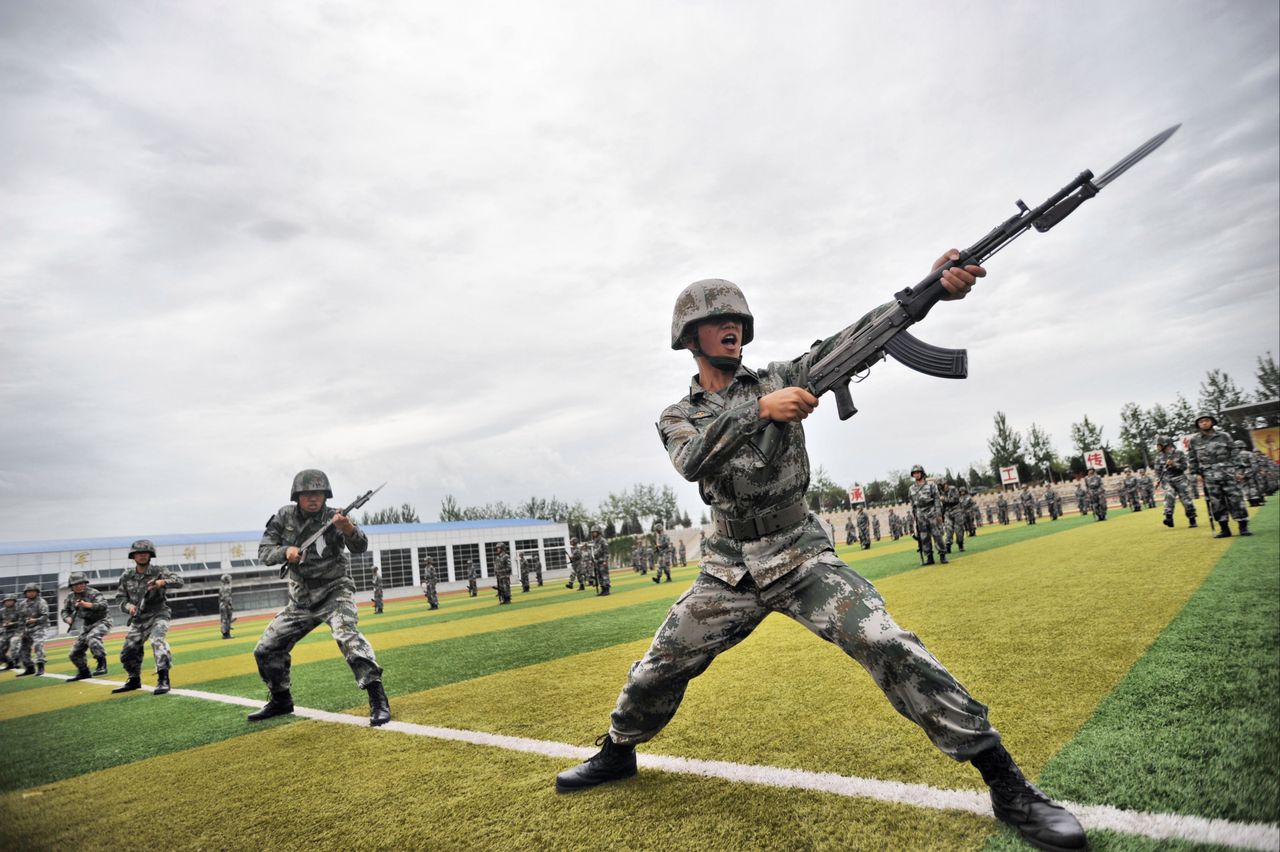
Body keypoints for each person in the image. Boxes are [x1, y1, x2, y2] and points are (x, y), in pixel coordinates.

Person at [553, 269, 1084, 852]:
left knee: (885, 641)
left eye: (736, 319)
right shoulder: (680, 414)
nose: (731, 326)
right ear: (690, 336)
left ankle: (1007, 784)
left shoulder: (785, 375)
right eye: (716, 320)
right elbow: (691, 460)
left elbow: (855, 337)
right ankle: (617, 752)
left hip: (800, 556)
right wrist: (760, 411)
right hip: (729, 568)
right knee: (660, 665)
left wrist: (930, 292)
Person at [249, 469, 390, 726]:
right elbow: (264, 551)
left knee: (347, 637)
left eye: (318, 493)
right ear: (297, 496)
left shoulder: (335, 516)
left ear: (325, 495)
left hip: (335, 591)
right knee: (266, 649)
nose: (313, 498)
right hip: (301, 599)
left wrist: (347, 528)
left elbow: (360, 547)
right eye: (307, 494)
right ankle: (281, 699)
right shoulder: (284, 516)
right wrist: (286, 551)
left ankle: (377, 698)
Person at [111, 541, 183, 694]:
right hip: (138, 619)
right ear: (133, 556)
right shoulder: (127, 576)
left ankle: (163, 678)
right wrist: (128, 607)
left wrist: (161, 582)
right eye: (139, 553)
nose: (142, 555)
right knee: (128, 651)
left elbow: (178, 581)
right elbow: (120, 599)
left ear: (150, 555)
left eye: (145, 552)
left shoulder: (159, 571)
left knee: (157, 640)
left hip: (159, 614)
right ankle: (134, 679)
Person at [1188, 413, 1250, 538]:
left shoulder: (1224, 436)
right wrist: (1196, 473)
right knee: (1216, 502)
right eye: (1201, 422)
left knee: (1236, 499)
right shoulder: (1194, 440)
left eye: (1206, 420)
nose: (1204, 423)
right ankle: (1224, 529)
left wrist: (1239, 470)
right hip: (1209, 476)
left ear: (1212, 422)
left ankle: (1243, 527)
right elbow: (1192, 458)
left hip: (1228, 473)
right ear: (1198, 425)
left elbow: (1234, 453)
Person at [62, 572, 112, 680]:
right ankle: (84, 672)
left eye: (81, 583)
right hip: (87, 624)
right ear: (71, 586)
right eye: (76, 585)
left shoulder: (93, 593)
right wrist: (67, 619)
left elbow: (103, 606)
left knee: (92, 638)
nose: (79, 586)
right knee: (74, 653)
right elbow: (65, 611)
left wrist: (86, 605)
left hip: (102, 621)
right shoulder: (71, 597)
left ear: (85, 583)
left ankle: (101, 664)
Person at [1154, 435, 1197, 527]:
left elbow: (1184, 467)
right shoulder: (1159, 457)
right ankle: (1169, 518)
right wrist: (1157, 480)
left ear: (1165, 444)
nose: (1157, 446)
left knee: (1186, 499)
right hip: (1167, 480)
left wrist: (1174, 464)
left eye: (1159, 444)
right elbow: (1157, 471)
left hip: (1180, 479)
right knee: (1169, 496)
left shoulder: (1179, 453)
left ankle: (1192, 518)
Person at [908, 467, 947, 564]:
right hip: (920, 513)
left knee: (937, 534)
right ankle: (929, 557)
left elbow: (937, 500)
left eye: (918, 472)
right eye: (914, 473)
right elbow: (912, 503)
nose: (916, 475)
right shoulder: (911, 488)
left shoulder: (931, 485)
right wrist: (915, 515)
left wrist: (938, 513)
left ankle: (942, 554)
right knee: (924, 536)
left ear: (922, 473)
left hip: (931, 511)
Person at [14, 583, 50, 677]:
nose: (30, 593)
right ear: (25, 593)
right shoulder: (22, 604)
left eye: (33, 591)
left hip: (40, 627)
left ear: (37, 592)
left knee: (38, 644)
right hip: (27, 628)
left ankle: (40, 666)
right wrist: (21, 631)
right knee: (22, 648)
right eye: (28, 592)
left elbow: (45, 617)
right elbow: (21, 619)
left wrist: (35, 620)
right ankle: (29, 668)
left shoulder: (41, 602)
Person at [1, 593, 20, 671]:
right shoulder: (1, 611)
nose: (8, 602)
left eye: (10, 600)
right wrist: (3, 624)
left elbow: (23, 621)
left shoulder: (19, 610)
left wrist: (13, 623)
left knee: (13, 643)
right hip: (5, 632)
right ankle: (9, 663)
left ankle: (16, 662)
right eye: (6, 601)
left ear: (14, 601)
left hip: (17, 631)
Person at [588, 526, 610, 596]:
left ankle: (607, 589)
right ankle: (603, 589)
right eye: (592, 532)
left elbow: (606, 552)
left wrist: (605, 561)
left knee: (604, 575)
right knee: (599, 576)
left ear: (598, 532)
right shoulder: (594, 541)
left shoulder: (603, 540)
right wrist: (592, 560)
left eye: (594, 532)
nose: (593, 533)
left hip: (602, 561)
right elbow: (593, 551)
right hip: (597, 561)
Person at [219, 573, 235, 639]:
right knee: (227, 620)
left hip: (222, 605)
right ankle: (226, 634)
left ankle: (225, 634)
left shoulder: (221, 588)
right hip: (226, 605)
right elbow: (227, 598)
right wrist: (229, 606)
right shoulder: (227, 588)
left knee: (224, 619)